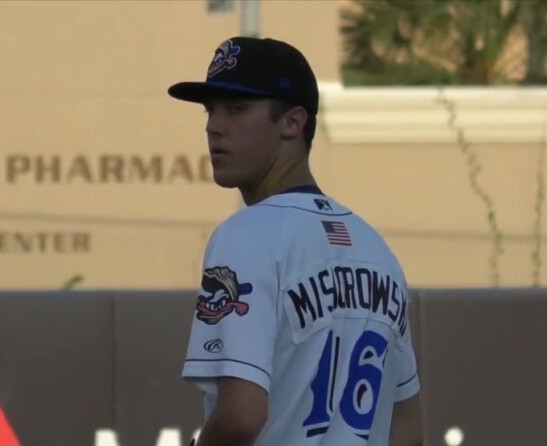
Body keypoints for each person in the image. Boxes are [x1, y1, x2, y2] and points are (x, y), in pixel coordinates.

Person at [167, 36, 424, 446]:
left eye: (237, 108)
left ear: (293, 121)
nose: (214, 125)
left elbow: (241, 415)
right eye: (211, 109)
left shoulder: (246, 236)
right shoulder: (376, 250)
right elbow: (406, 427)